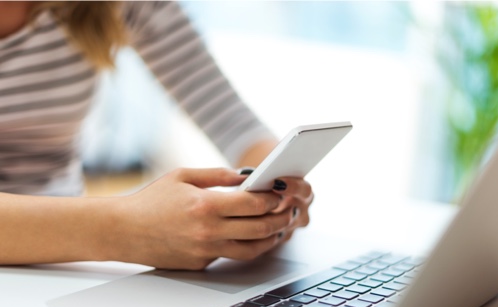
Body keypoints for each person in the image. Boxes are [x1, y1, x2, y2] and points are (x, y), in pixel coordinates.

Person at [0, 1, 314, 270]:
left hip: (64, 267)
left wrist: (271, 199)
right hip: (73, 249)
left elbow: (234, 124)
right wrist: (124, 230)